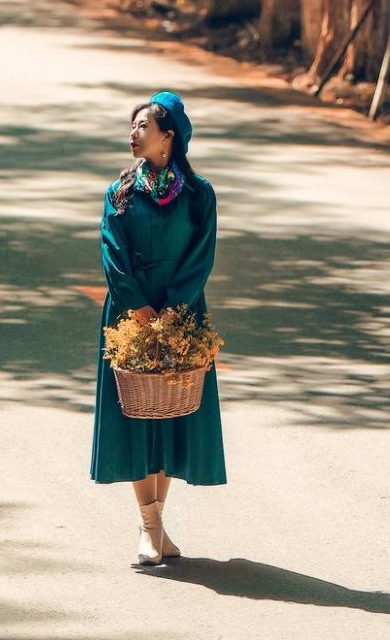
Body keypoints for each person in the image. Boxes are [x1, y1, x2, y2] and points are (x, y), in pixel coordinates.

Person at [89, 90, 226, 563]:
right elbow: (112, 253)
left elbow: (201, 256)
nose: (133, 133)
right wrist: (141, 309)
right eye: (132, 126)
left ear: (168, 135)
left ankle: (156, 523)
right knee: (133, 416)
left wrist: (172, 312)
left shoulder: (198, 195)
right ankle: (149, 527)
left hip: (181, 312)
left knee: (169, 414)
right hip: (130, 312)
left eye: (142, 126)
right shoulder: (120, 192)